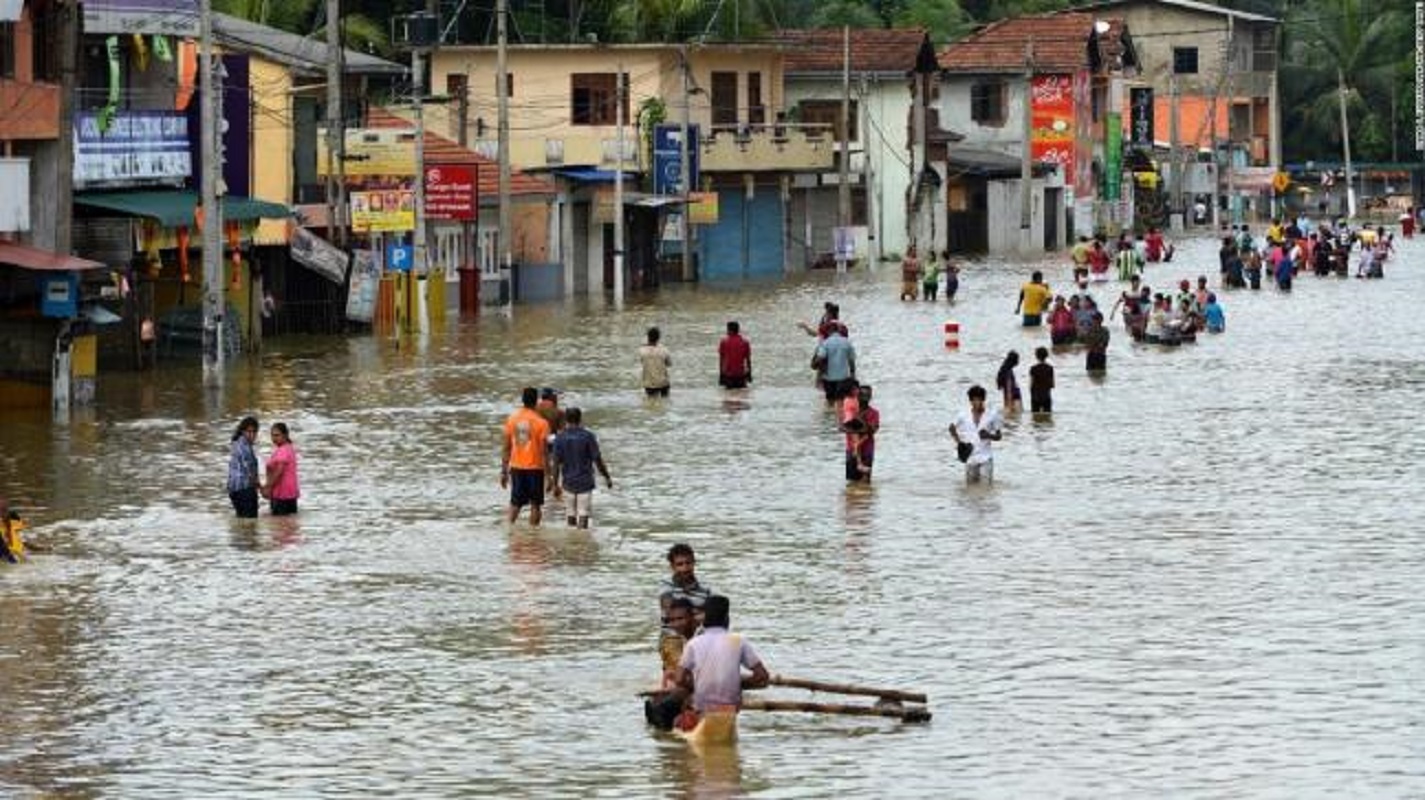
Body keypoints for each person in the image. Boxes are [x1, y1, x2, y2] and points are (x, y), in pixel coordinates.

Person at [672, 595, 770, 722]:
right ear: (726, 618)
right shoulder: (738, 641)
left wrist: (696, 686)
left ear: (705, 619)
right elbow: (762, 676)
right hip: (730, 708)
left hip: (702, 707)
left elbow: (679, 679)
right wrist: (738, 685)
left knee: (676, 720)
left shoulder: (693, 643)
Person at [551, 407, 613, 529]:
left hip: (568, 482)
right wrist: (607, 477)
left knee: (570, 513)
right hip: (585, 481)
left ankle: (572, 542)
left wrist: (554, 485)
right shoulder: (588, 436)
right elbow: (597, 460)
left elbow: (556, 463)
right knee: (583, 512)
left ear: (566, 420)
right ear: (580, 419)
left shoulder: (559, 438)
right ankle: (581, 541)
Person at [645, 598, 699, 731]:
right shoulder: (675, 639)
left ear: (693, 617)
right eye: (672, 620)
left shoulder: (701, 638)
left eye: (681, 619)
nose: (676, 624)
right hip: (690, 687)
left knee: (661, 709)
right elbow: (673, 672)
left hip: (701, 689)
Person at [501, 387, 553, 526]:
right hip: (535, 468)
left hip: (516, 466)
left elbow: (506, 447)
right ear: (536, 401)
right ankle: (533, 537)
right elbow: (544, 452)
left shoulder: (512, 419)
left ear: (522, 400)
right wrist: (549, 476)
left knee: (515, 503)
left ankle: (508, 530)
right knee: (535, 505)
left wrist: (504, 472)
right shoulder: (541, 423)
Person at [948, 385, 1003, 485]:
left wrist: (989, 435)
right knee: (970, 489)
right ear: (970, 401)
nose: (977, 403)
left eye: (979, 400)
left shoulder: (991, 415)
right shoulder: (963, 414)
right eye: (974, 400)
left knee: (985, 489)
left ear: (983, 400)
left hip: (986, 457)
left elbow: (999, 436)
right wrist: (959, 443)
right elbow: (951, 428)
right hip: (970, 457)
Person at [660, 543, 713, 632]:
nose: (685, 568)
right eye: (680, 564)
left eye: (688, 563)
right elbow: (671, 612)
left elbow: (715, 614)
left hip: (699, 636)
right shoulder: (666, 586)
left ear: (694, 563)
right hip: (672, 636)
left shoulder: (706, 587)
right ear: (672, 567)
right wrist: (700, 612)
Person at [841, 383, 880, 483]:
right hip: (851, 449)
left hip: (867, 450)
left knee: (865, 481)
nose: (865, 397)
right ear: (857, 395)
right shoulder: (851, 409)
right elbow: (842, 427)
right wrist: (859, 428)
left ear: (870, 397)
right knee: (851, 481)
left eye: (867, 395)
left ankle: (865, 498)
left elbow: (873, 430)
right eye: (862, 394)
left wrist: (858, 425)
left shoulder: (874, 413)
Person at [260, 422, 300, 516]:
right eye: (272, 435)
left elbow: (279, 471)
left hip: (281, 495)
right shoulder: (289, 448)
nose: (274, 438)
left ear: (285, 435)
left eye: (277, 435)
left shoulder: (283, 450)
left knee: (279, 527)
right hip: (290, 494)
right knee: (288, 525)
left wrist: (268, 487)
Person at [813, 324, 856, 406]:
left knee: (830, 402)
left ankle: (829, 417)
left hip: (828, 378)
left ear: (829, 331)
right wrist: (853, 374)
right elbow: (851, 360)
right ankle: (838, 418)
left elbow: (820, 357)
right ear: (838, 331)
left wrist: (814, 365)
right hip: (843, 378)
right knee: (841, 402)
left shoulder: (826, 343)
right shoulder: (847, 342)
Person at [227, 416, 261, 519]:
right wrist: (260, 486)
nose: (252, 435)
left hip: (235, 490)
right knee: (250, 522)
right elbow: (249, 469)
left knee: (243, 522)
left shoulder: (237, 443)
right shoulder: (243, 446)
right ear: (242, 431)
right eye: (249, 431)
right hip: (244, 488)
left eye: (254, 432)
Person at [717, 321, 752, 389]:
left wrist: (721, 375)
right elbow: (748, 360)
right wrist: (749, 374)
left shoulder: (724, 342)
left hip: (728, 375)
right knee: (742, 396)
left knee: (728, 397)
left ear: (729, 330)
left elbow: (721, 360)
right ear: (738, 330)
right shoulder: (745, 342)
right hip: (741, 374)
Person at [639, 327, 672, 397]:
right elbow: (669, 364)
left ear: (648, 337)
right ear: (658, 338)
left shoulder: (642, 351)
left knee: (651, 402)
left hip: (649, 383)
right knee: (665, 401)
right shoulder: (664, 350)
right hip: (663, 383)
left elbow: (642, 362)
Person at [1028, 347, 1054, 415]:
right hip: (1046, 396)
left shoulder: (1033, 368)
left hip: (1036, 396)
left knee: (1035, 416)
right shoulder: (1050, 368)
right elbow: (1052, 384)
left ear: (1036, 356)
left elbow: (1031, 384)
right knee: (1047, 416)